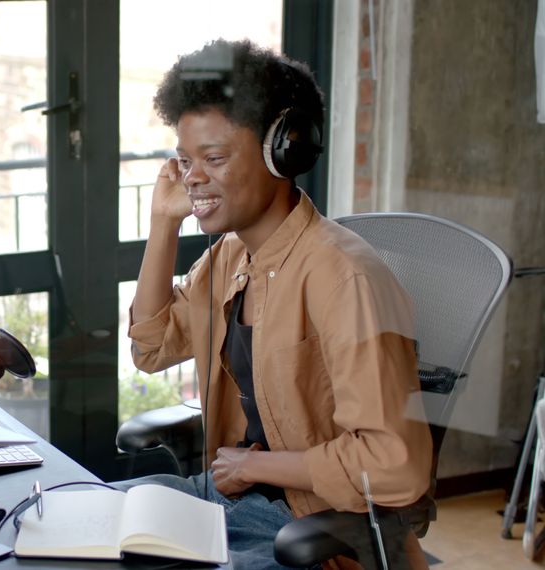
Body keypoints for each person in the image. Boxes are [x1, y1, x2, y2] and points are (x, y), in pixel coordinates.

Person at [121, 39, 432, 569]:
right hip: (236, 499)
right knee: (89, 515)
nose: (193, 176)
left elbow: (394, 466)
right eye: (185, 160)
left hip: (312, 526)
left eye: (214, 158)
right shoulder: (230, 257)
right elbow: (150, 347)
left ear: (282, 150)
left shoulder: (344, 278)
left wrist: (262, 468)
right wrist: (163, 223)